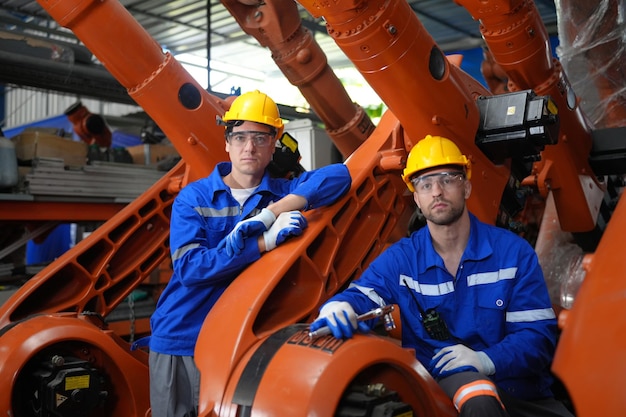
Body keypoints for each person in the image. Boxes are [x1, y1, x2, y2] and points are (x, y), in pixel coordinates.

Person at [309, 135, 574, 417]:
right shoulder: (403, 260)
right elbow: (361, 296)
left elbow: (536, 337)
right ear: (417, 200)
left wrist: (486, 359)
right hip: (448, 388)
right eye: (425, 184)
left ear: (467, 187)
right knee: (478, 397)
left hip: (521, 390)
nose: (436, 191)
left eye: (447, 179)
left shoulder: (512, 253)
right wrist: (340, 306)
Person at [147, 90, 352, 417]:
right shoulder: (195, 198)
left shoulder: (281, 192)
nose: (249, 147)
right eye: (240, 137)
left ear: (274, 144)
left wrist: (273, 211)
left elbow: (340, 176)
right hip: (182, 336)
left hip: (242, 340)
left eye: (260, 137)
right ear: (227, 142)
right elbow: (189, 268)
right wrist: (260, 244)